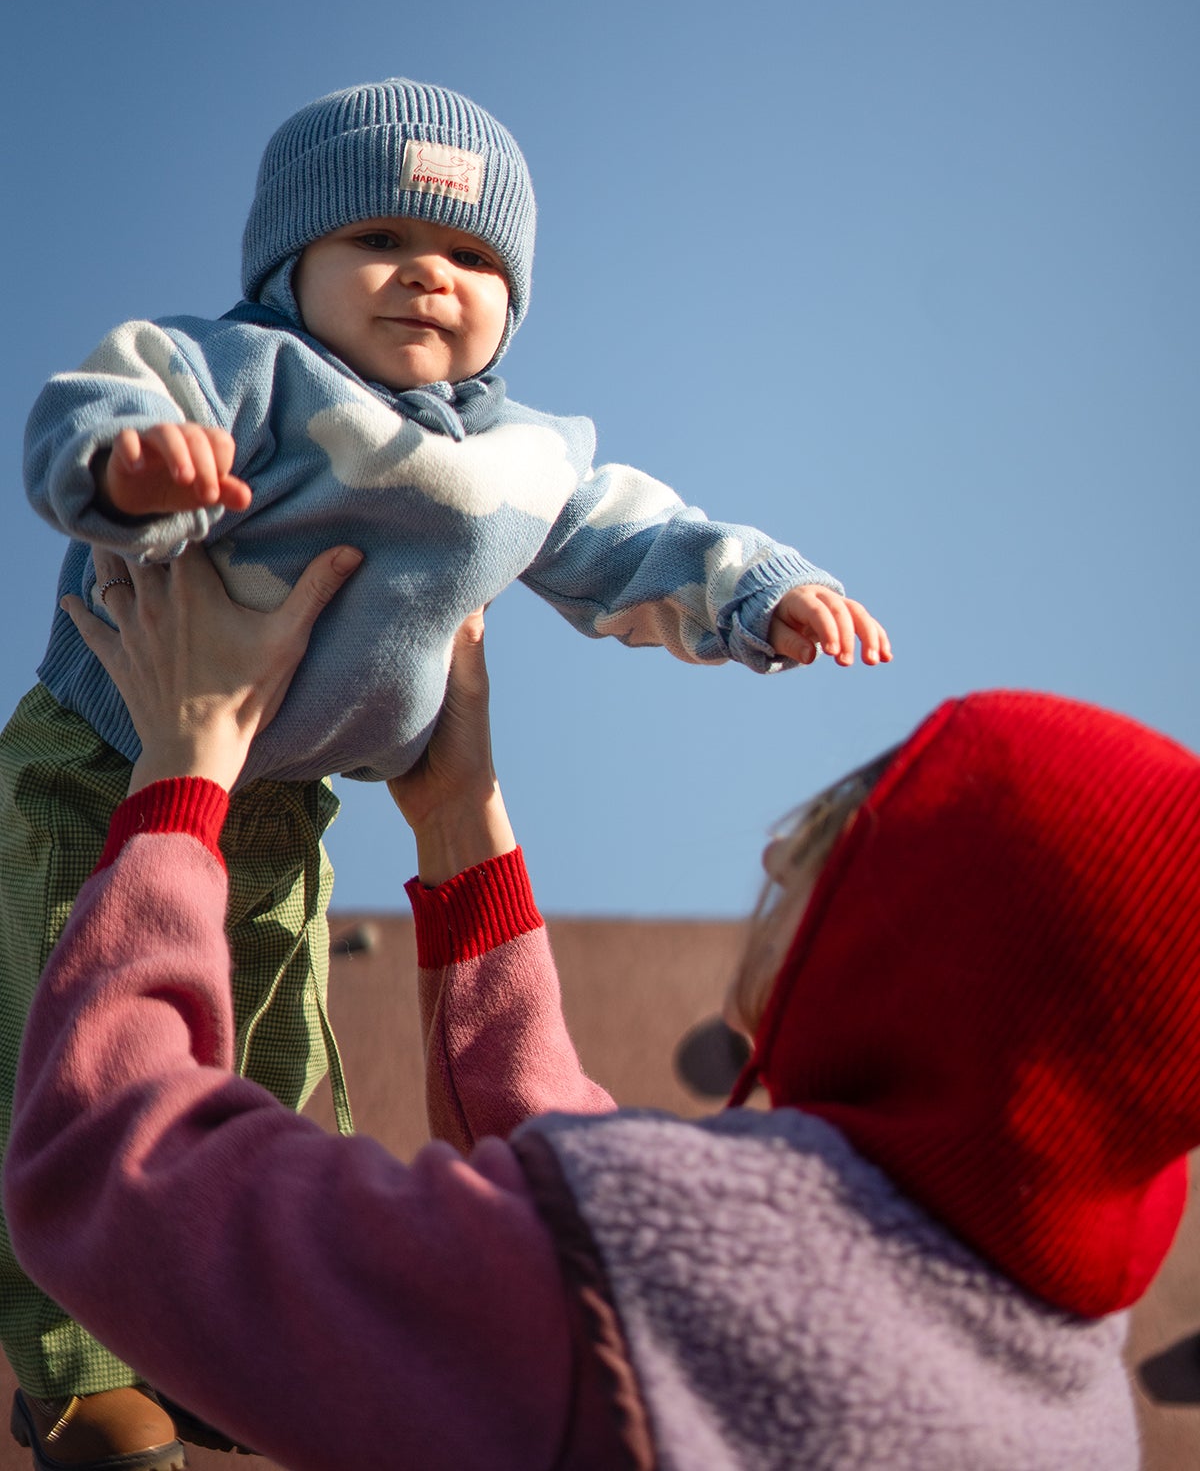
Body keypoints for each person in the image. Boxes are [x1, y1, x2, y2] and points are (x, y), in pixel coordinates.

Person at [3, 77, 892, 1449]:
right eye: (377, 242)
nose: (429, 272)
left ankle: (222, 1318)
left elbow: (641, 540)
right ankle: (77, 1374)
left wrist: (761, 593)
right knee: (60, 1029)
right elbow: (99, 397)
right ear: (287, 269)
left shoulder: (530, 455)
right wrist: (135, 464)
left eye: (473, 256)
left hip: (277, 806)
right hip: (106, 763)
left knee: (282, 1049)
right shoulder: (251, 374)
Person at [7, 548, 1199, 1470]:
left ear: (942, 956)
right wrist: (462, 819)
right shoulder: (1074, 1402)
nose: (779, 863)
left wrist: (183, 770)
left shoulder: (684, 1280)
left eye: (839, 841)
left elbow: (124, 1179)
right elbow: (601, 1211)